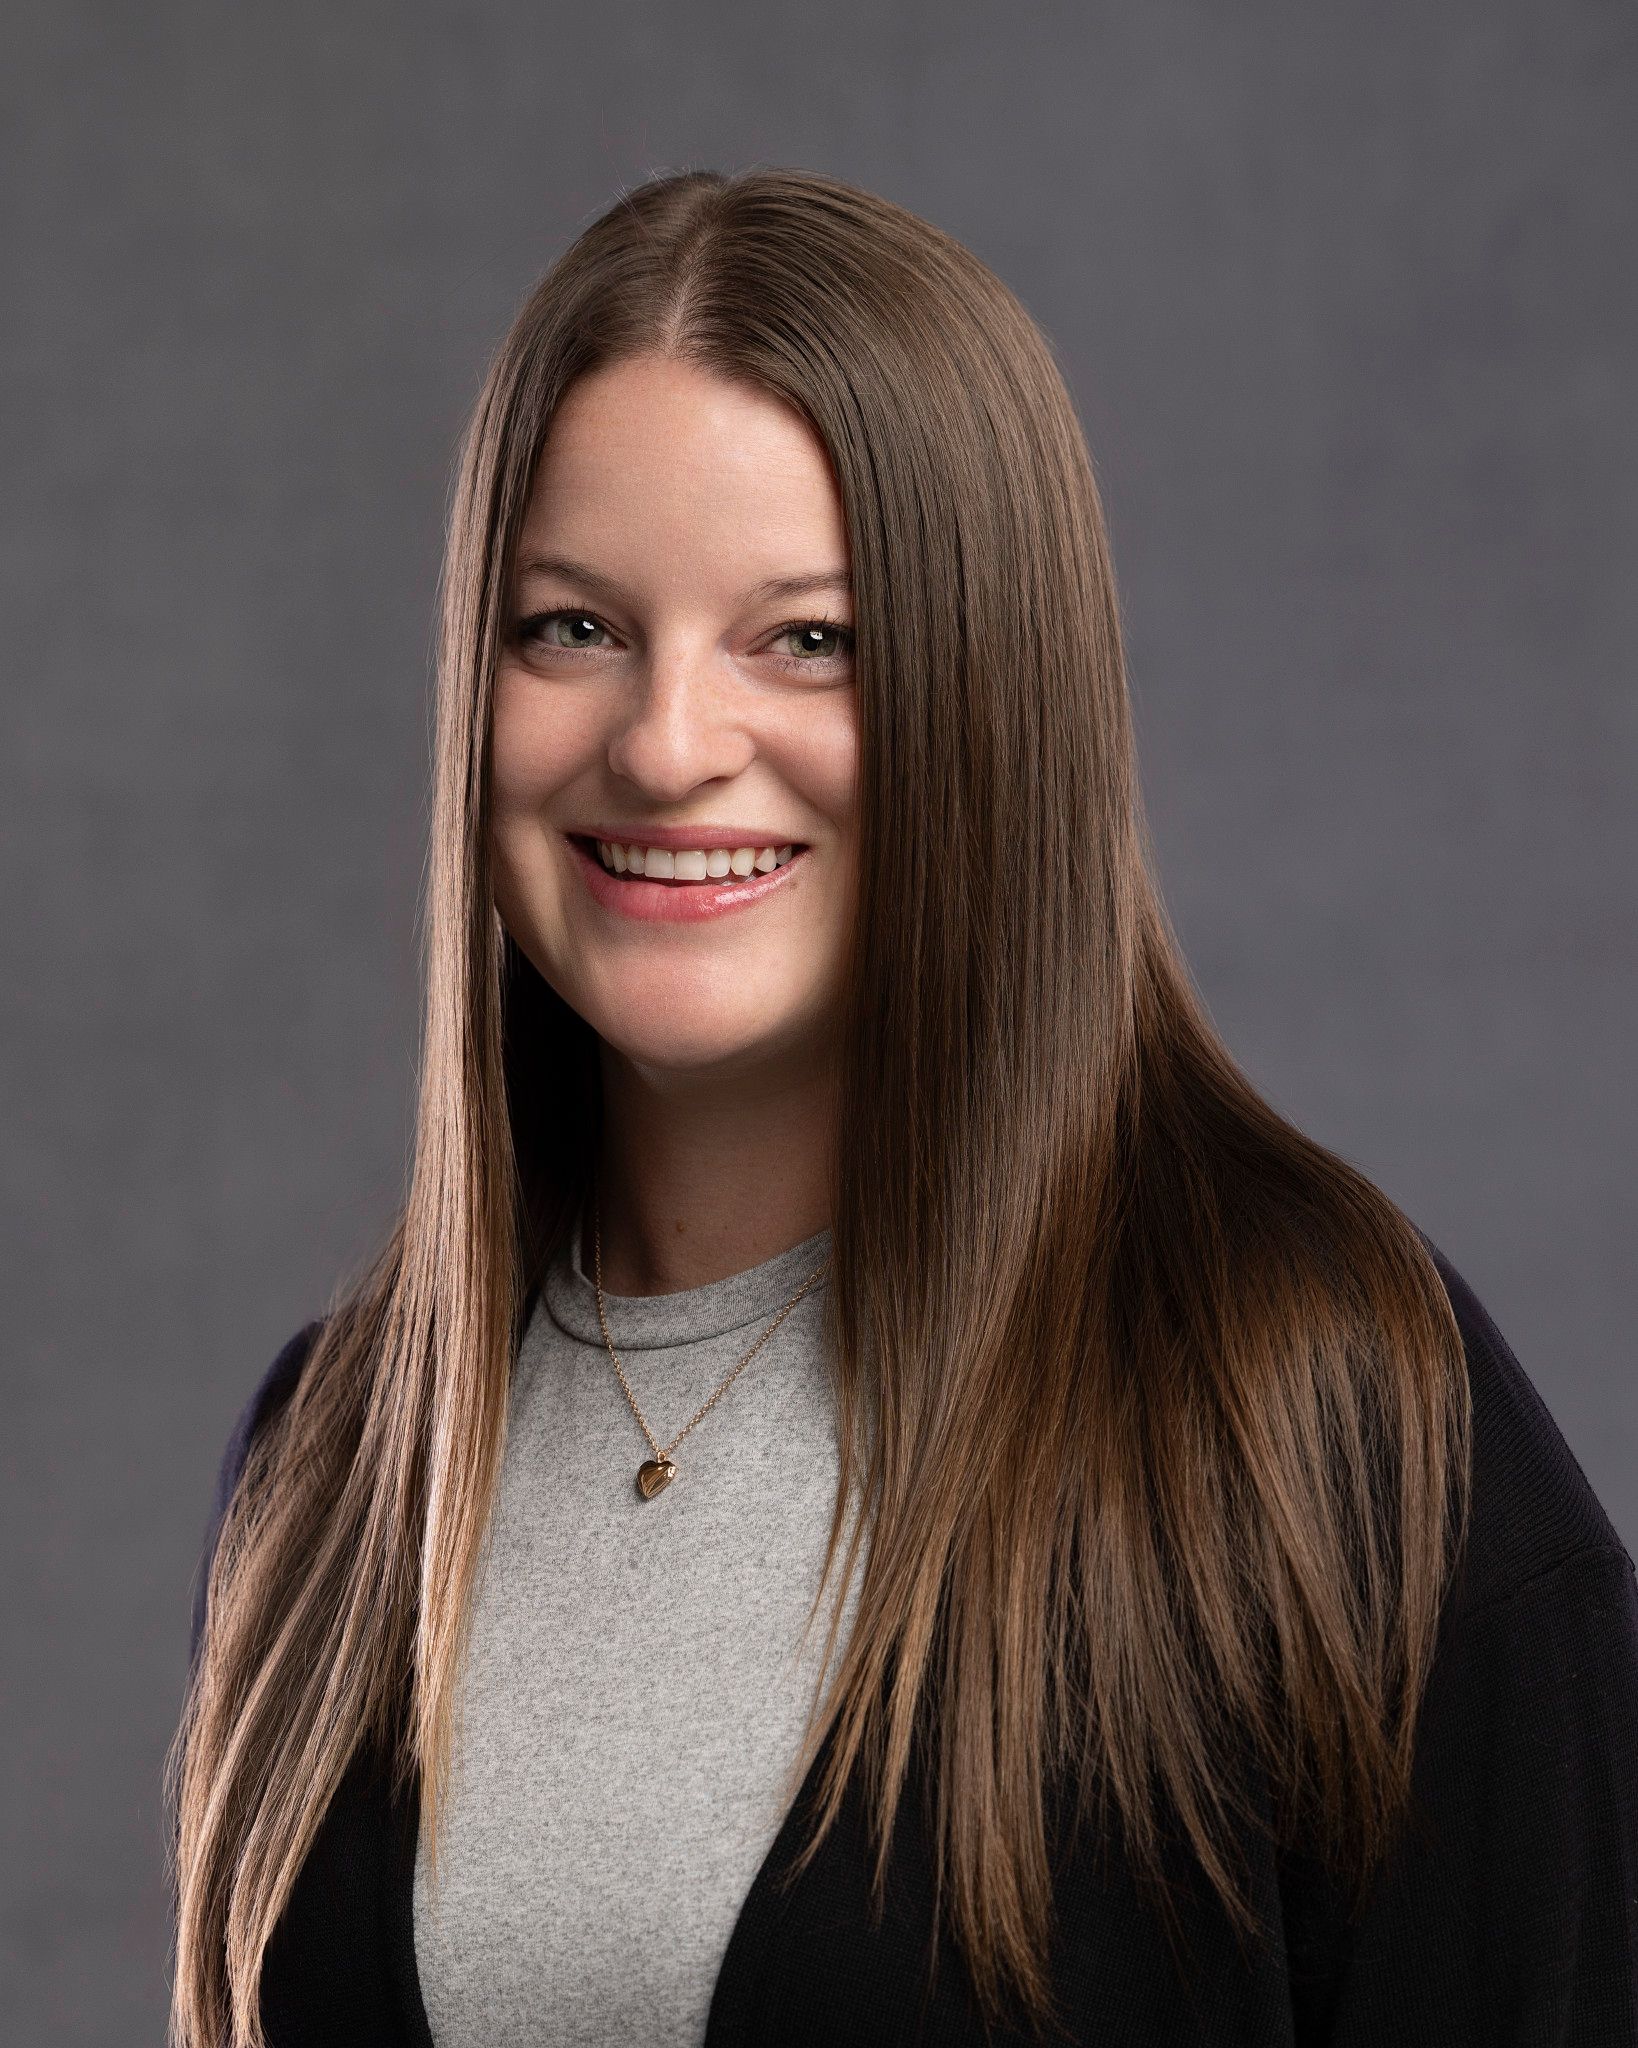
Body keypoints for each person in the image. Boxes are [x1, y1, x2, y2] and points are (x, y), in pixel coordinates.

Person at [166, 166, 1638, 2048]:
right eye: (571, 628)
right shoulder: (334, 1463)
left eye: (809, 639)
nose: (667, 745)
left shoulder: (1316, 1419)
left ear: (994, 694)